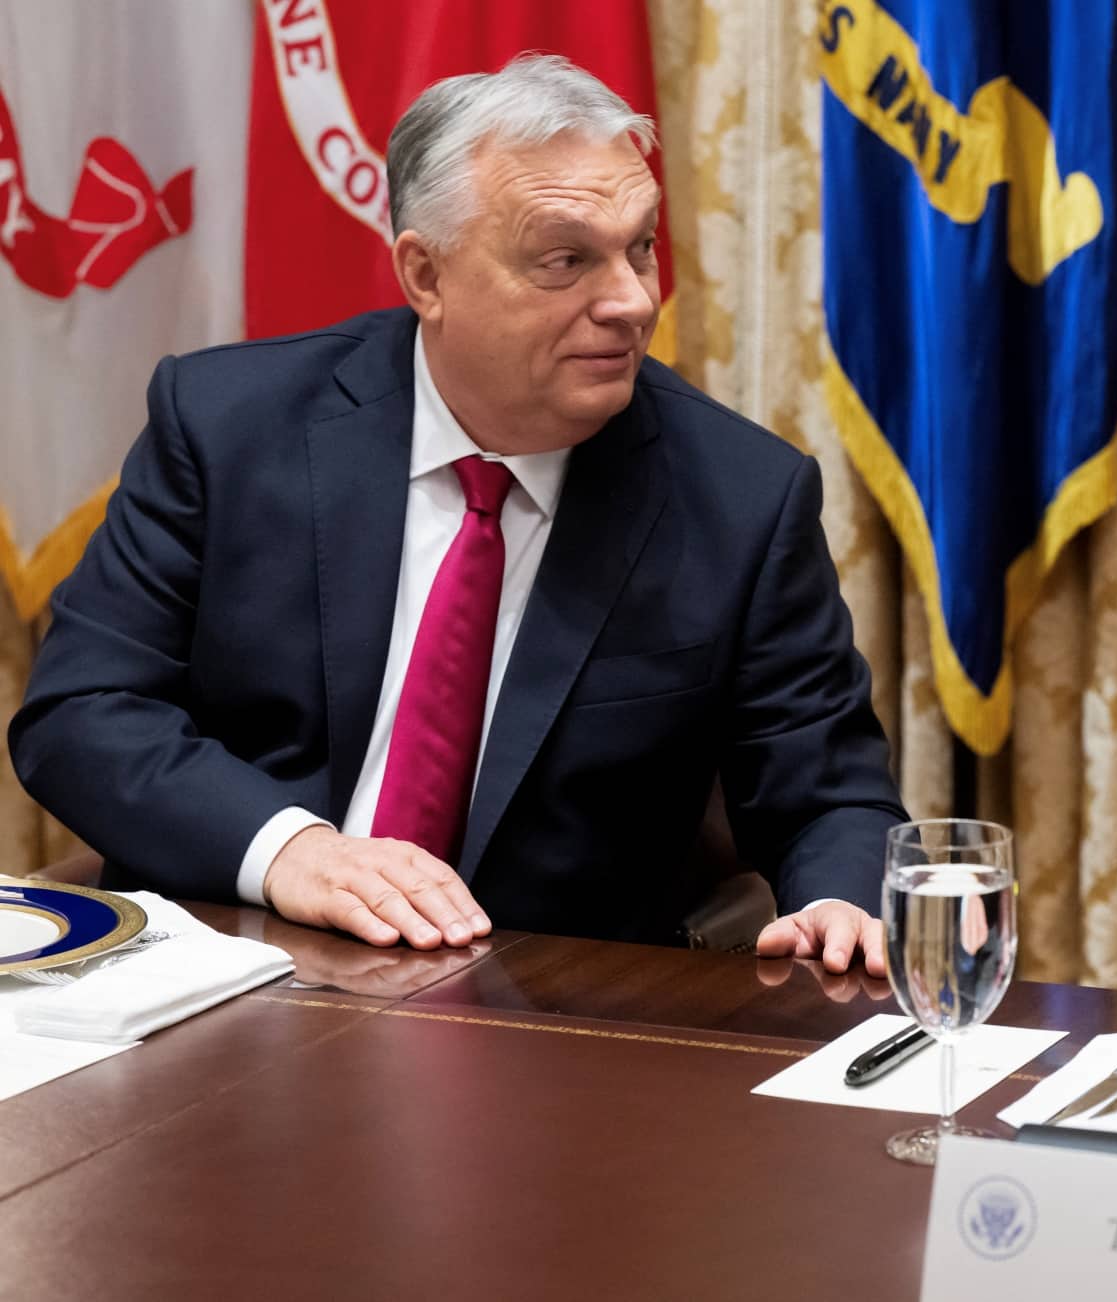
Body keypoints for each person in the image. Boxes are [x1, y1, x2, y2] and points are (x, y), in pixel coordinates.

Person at [10, 55, 904, 974]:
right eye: (566, 260)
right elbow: (83, 711)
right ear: (425, 275)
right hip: (229, 971)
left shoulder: (740, 496)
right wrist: (290, 852)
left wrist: (838, 902)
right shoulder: (230, 427)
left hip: (545, 1020)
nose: (634, 300)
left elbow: (828, 794)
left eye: (639, 246)